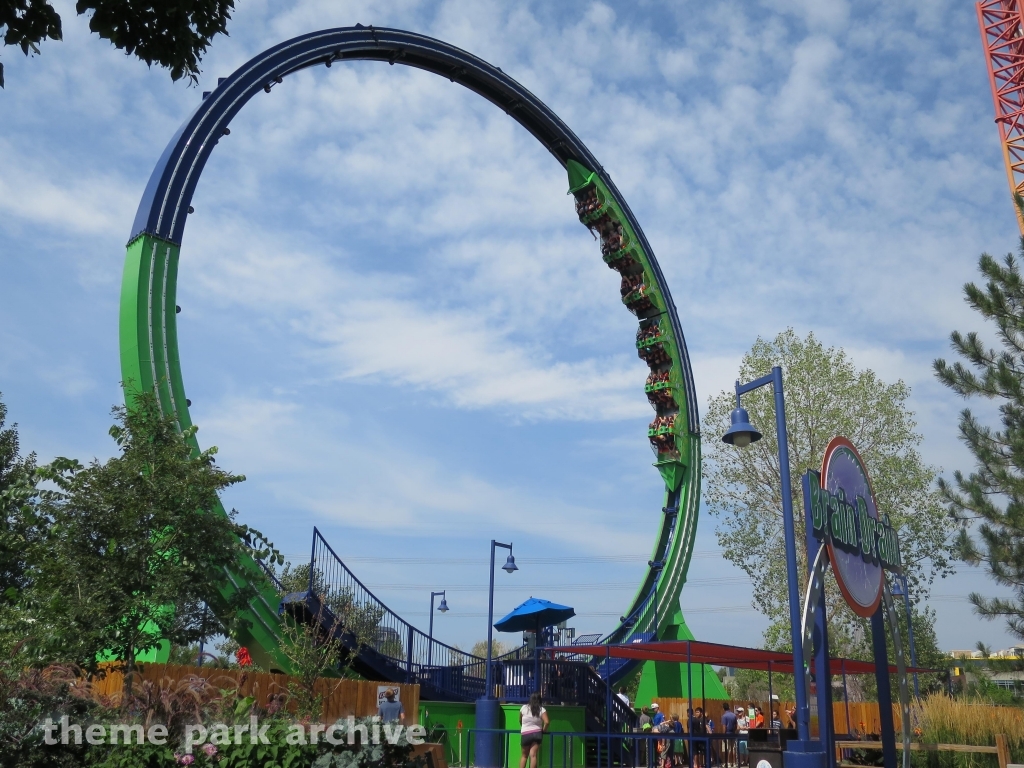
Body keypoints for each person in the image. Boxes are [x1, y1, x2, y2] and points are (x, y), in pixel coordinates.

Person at [519, 692, 549, 768]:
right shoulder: (542, 709)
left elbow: (520, 719)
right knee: (533, 755)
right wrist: (543, 730)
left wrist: (523, 726)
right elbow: (547, 722)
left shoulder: (524, 708)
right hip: (537, 734)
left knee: (524, 756)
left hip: (526, 733)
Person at [721, 703, 738, 768]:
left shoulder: (724, 716)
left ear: (723, 708)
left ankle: (727, 763)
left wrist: (723, 735)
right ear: (729, 707)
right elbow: (736, 725)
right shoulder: (734, 715)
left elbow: (724, 727)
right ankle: (734, 763)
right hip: (733, 733)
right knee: (733, 749)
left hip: (727, 733)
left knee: (727, 749)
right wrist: (734, 730)